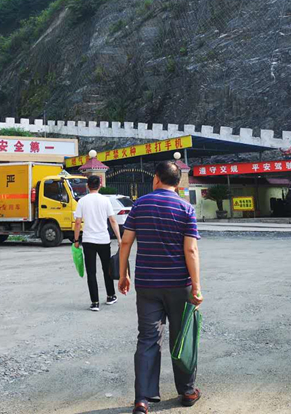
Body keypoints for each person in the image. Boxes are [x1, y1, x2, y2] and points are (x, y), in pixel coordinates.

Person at [118, 161, 203, 412]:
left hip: (147, 285)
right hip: (179, 284)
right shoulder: (186, 208)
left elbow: (125, 242)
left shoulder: (140, 205)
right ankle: (187, 391)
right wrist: (196, 286)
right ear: (177, 182)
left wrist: (123, 275)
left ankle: (142, 399)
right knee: (182, 335)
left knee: (148, 339)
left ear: (156, 178)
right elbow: (191, 249)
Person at [73, 174, 122, 311]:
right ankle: (111, 296)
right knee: (107, 269)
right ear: (100, 185)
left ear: (87, 186)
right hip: (103, 240)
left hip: (88, 240)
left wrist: (76, 240)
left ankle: (94, 302)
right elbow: (112, 220)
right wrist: (119, 238)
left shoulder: (82, 201)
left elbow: (78, 222)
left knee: (91, 272)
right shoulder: (105, 200)